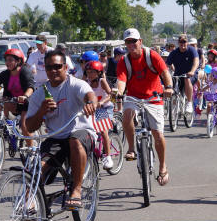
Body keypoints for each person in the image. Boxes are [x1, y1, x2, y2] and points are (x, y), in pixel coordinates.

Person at [25, 49, 97, 209]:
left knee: (74, 140)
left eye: (57, 66)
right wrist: (41, 111)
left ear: (65, 67)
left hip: (81, 133)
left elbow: (89, 95)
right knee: (38, 167)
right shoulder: (40, 94)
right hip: (56, 138)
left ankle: (76, 190)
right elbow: (30, 126)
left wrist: (91, 104)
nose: (53, 71)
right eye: (49, 67)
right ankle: (29, 204)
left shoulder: (75, 84)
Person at [116, 28, 173, 186]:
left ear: (140, 41)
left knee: (157, 133)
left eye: (134, 41)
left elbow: (165, 72)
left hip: (154, 96)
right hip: (133, 96)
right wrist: (119, 93)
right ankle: (132, 149)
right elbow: (121, 80)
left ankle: (162, 166)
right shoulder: (124, 61)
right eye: (128, 42)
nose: (131, 44)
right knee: (127, 115)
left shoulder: (151, 55)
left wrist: (168, 86)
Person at [0, 49, 35, 146]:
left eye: (10, 60)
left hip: (27, 103)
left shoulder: (24, 72)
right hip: (12, 102)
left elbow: (30, 87)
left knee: (24, 126)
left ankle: (32, 150)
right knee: (5, 105)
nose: (7, 63)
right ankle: (10, 131)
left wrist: (25, 96)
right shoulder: (6, 73)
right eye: (6, 60)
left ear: (18, 61)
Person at [85, 60, 114, 170]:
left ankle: (108, 156)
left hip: (105, 108)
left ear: (99, 73)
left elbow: (110, 95)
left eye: (92, 72)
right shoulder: (86, 82)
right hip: (93, 109)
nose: (90, 74)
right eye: (88, 72)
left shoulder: (102, 81)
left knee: (103, 130)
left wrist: (102, 102)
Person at [167, 34, 199, 113]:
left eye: (184, 41)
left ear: (187, 42)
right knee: (170, 84)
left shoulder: (191, 50)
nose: (182, 43)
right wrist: (169, 70)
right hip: (178, 75)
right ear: (178, 43)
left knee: (186, 79)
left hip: (191, 75)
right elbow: (167, 64)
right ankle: (174, 104)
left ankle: (189, 103)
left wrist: (192, 71)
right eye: (181, 42)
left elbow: (196, 61)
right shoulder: (174, 52)